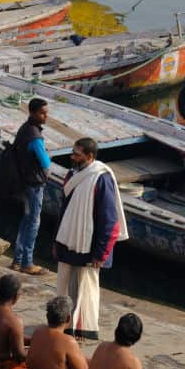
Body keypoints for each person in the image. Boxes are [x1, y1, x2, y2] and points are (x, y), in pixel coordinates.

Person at [55, 137, 128, 340]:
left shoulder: (101, 178)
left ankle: (81, 330)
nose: (72, 157)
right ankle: (65, 326)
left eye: (77, 154)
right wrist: (57, 242)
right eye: (73, 153)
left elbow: (109, 221)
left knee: (84, 289)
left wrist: (101, 253)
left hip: (89, 246)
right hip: (68, 241)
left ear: (89, 156)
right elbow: (64, 211)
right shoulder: (72, 175)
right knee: (66, 285)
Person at [10, 98, 52, 275]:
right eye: (43, 113)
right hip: (34, 185)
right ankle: (27, 262)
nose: (46, 116)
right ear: (33, 113)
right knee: (33, 222)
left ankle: (17, 261)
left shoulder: (24, 129)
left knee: (26, 220)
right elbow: (45, 163)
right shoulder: (35, 136)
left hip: (24, 182)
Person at [27, 296, 89, 369]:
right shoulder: (69, 341)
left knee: (87, 360)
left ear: (47, 316)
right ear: (68, 319)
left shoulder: (38, 331)